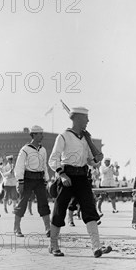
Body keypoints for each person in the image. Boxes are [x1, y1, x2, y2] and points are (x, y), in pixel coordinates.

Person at [48, 106, 112, 257]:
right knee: (59, 210)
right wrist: (62, 175)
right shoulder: (63, 136)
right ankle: (53, 245)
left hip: (82, 177)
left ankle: (96, 247)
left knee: (90, 210)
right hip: (67, 176)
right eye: (85, 118)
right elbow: (53, 159)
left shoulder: (85, 138)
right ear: (76, 119)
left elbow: (90, 160)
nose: (88, 121)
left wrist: (96, 160)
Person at [13, 125, 52, 237]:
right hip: (28, 179)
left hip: (40, 179)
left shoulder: (43, 150)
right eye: (40, 134)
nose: (42, 136)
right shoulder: (25, 149)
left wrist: (46, 179)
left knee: (43, 203)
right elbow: (19, 166)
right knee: (23, 202)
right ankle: (16, 228)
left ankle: (47, 228)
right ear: (34, 135)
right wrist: (20, 181)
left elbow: (44, 165)